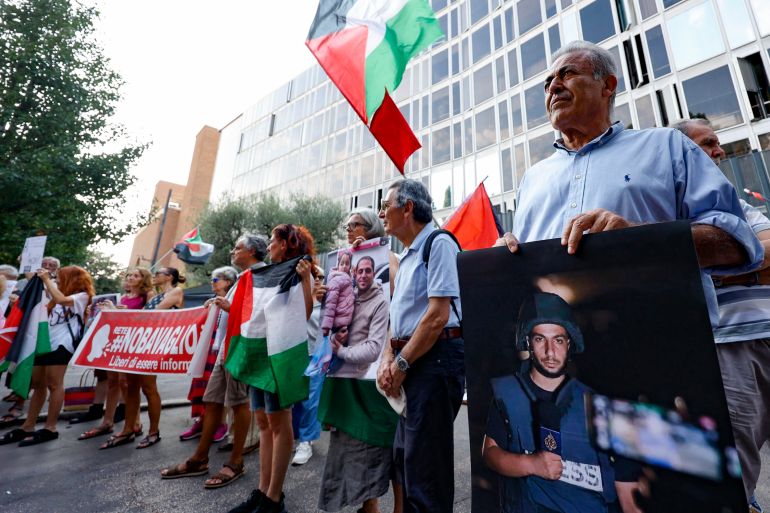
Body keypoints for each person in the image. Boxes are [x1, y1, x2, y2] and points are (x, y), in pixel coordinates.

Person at [495, 40, 764, 511]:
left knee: (675, 497)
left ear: (608, 85)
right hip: (565, 388)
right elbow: (527, 278)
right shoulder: (533, 179)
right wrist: (503, 259)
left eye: (567, 74)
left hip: (661, 375)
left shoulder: (666, 147)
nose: (553, 86)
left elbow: (737, 240)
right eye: (547, 81)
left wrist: (641, 238)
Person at [674, 118, 770, 513]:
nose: (719, 151)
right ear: (681, 155)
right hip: (728, 348)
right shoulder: (669, 209)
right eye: (706, 143)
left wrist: (717, 264)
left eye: (718, 143)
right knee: (732, 473)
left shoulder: (738, 203)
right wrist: (747, 261)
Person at [483, 292, 639, 512]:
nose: (549, 351)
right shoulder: (507, 394)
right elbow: (490, 452)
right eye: (540, 339)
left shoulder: (599, 406)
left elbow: (627, 490)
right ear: (527, 342)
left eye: (558, 340)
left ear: (569, 343)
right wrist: (531, 464)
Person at [376, 179, 465, 513]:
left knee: (426, 471)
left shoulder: (439, 243)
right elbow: (395, 318)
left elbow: (436, 317)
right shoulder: (407, 256)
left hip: (434, 362)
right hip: (412, 362)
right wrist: (388, 358)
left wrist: (400, 366)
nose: (382, 213)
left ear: (408, 207)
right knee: (406, 460)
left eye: (387, 205)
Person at [228, 223, 315, 513]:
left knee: (279, 424)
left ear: (286, 244)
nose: (269, 244)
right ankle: (263, 491)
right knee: (264, 424)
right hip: (260, 357)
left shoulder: (299, 271)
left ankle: (274, 498)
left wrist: (304, 282)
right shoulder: (264, 275)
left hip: (279, 358)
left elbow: (303, 315)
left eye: (273, 240)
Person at [159, 263, 254, 488]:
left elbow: (254, 315)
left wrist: (228, 308)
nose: (234, 252)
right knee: (211, 401)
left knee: (240, 404)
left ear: (251, 252)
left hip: (237, 349)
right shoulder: (241, 279)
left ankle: (236, 462)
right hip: (222, 351)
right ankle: (199, 458)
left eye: (239, 248)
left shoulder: (253, 277)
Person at [318, 255, 401, 513]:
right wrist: (323, 296)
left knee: (387, 446)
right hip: (348, 382)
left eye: (356, 225)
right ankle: (369, 507)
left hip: (377, 377)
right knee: (352, 445)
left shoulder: (392, 261)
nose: (350, 230)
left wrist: (342, 351)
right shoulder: (346, 282)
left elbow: (375, 345)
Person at [0, 265, 94, 446]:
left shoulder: (82, 296)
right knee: (37, 384)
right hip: (44, 343)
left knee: (54, 384)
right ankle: (28, 425)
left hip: (62, 344)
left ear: (72, 278)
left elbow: (61, 299)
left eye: (60, 277)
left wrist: (46, 280)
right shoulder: (54, 290)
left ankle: (50, 428)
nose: (57, 279)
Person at [101, 266, 184, 449]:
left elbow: (151, 315)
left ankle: (153, 432)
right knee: (131, 387)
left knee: (148, 388)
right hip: (141, 344)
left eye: (158, 274)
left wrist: (118, 311)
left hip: (155, 345)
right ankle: (128, 429)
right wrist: (119, 311)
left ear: (169, 277)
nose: (154, 276)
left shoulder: (176, 291)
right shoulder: (154, 297)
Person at [78, 268, 154, 440]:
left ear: (144, 279)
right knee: (113, 382)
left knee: (127, 384)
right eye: (129, 275)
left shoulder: (146, 296)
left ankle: (136, 422)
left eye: (136, 275)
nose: (131, 278)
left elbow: (149, 317)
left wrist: (121, 311)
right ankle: (107, 421)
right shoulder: (121, 298)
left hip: (132, 343)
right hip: (115, 342)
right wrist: (94, 312)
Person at [181, 266, 239, 444]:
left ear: (227, 282)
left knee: (218, 388)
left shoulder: (234, 298)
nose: (212, 283)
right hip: (208, 347)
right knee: (201, 384)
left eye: (215, 280)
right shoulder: (212, 301)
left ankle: (220, 424)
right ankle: (201, 420)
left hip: (222, 347)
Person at [290, 266, 325, 466]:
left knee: (311, 400)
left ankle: (306, 442)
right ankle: (296, 435)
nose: (319, 279)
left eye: (322, 276)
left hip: (317, 356)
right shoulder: (297, 300)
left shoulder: (328, 301)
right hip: (296, 354)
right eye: (315, 276)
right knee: (294, 399)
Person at [346, 207, 399, 296]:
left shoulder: (389, 256)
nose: (348, 229)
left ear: (371, 228)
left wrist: (367, 250)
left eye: (353, 224)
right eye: (347, 226)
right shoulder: (345, 260)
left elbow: (394, 290)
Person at [320, 249, 354, 338]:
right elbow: (330, 304)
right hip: (338, 324)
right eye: (341, 263)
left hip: (345, 322)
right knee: (337, 348)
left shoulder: (349, 280)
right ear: (338, 265)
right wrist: (326, 327)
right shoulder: (337, 280)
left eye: (347, 263)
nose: (344, 266)